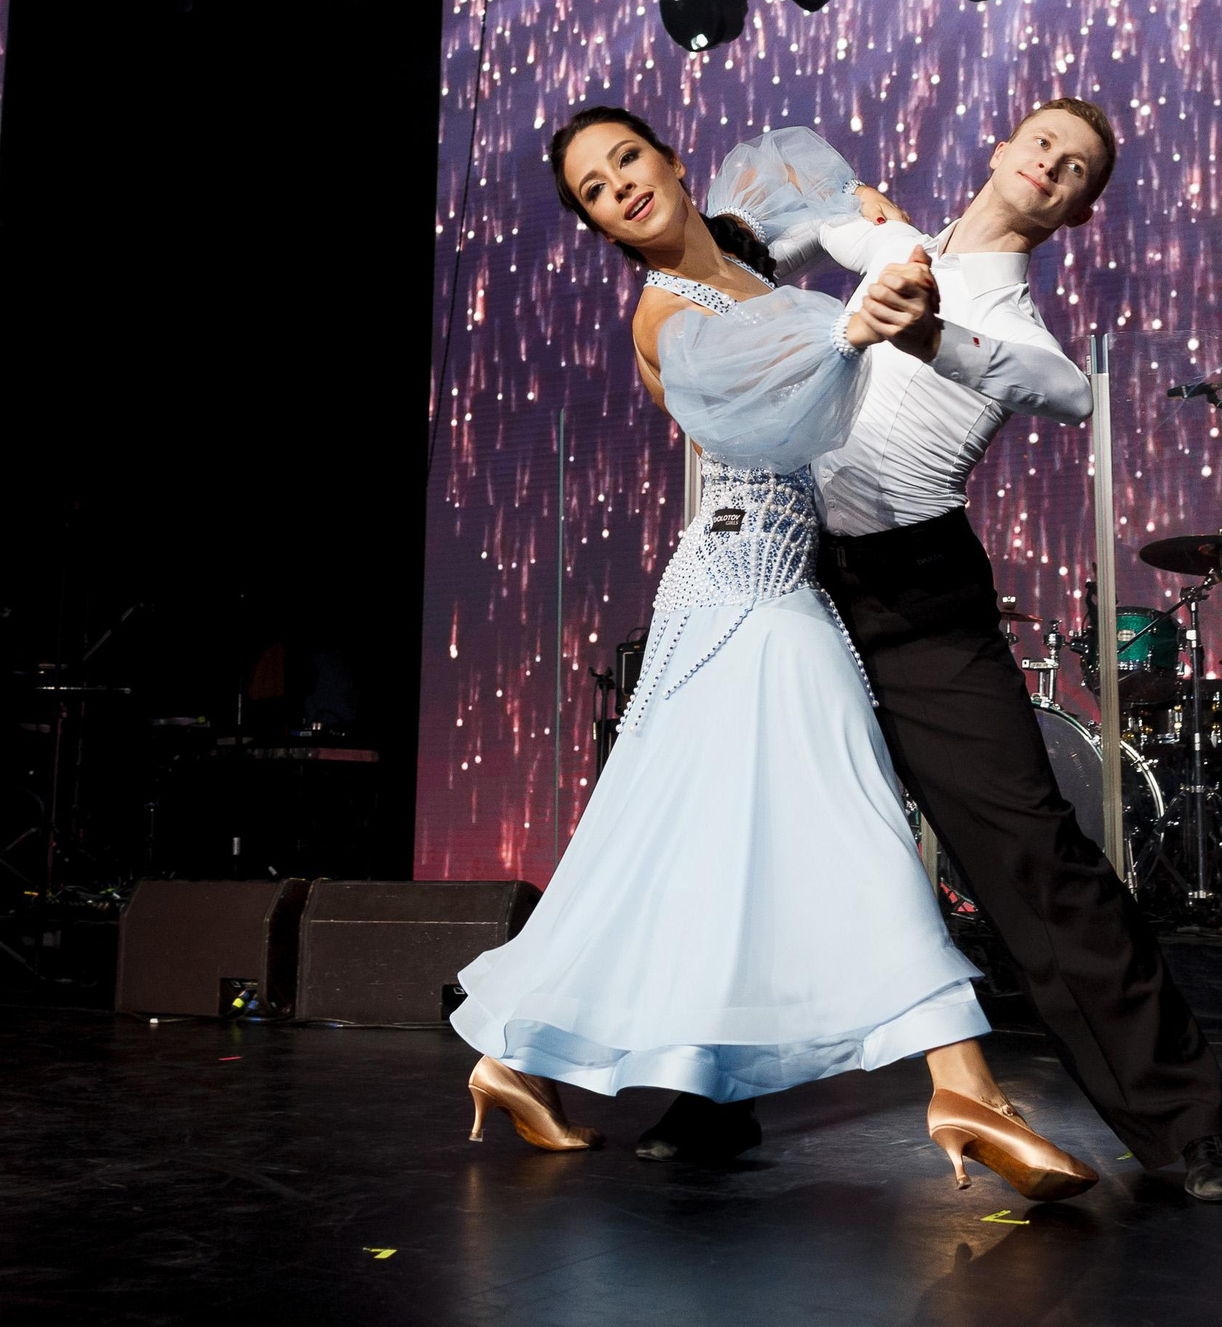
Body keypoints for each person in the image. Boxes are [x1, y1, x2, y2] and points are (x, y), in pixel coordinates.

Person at [447, 108, 1097, 1203]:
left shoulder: (741, 254)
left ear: (671, 161)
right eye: (596, 192)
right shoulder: (668, 315)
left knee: (654, 845)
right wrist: (843, 334)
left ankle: (508, 1055)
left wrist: (859, 207)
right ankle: (965, 1086)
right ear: (599, 226)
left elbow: (791, 188)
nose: (620, 188)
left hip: (762, 578)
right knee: (854, 809)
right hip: (748, 585)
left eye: (627, 161)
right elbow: (760, 399)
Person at [807, 98, 1222, 1204]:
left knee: (1032, 854)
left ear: (1077, 212)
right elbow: (776, 193)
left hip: (918, 593)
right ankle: (697, 1104)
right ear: (1003, 148)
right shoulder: (886, 241)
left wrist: (927, 332)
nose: (1052, 165)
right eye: (1044, 143)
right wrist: (833, 203)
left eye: (1077, 170)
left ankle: (1186, 1125)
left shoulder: (1021, 328)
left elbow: (1065, 395)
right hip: (795, 567)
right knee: (752, 830)